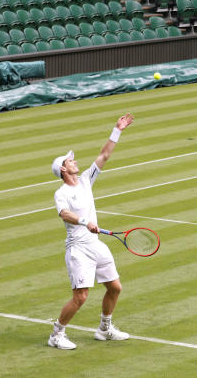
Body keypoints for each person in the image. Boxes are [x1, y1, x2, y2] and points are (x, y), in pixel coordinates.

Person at [48, 113, 135, 350]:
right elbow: (64, 214)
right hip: (78, 250)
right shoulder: (61, 193)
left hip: (96, 246)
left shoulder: (86, 179)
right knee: (81, 297)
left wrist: (117, 130)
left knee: (115, 287)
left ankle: (104, 329)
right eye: (69, 161)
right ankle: (56, 335)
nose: (74, 161)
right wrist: (84, 220)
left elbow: (104, 155)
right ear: (63, 170)